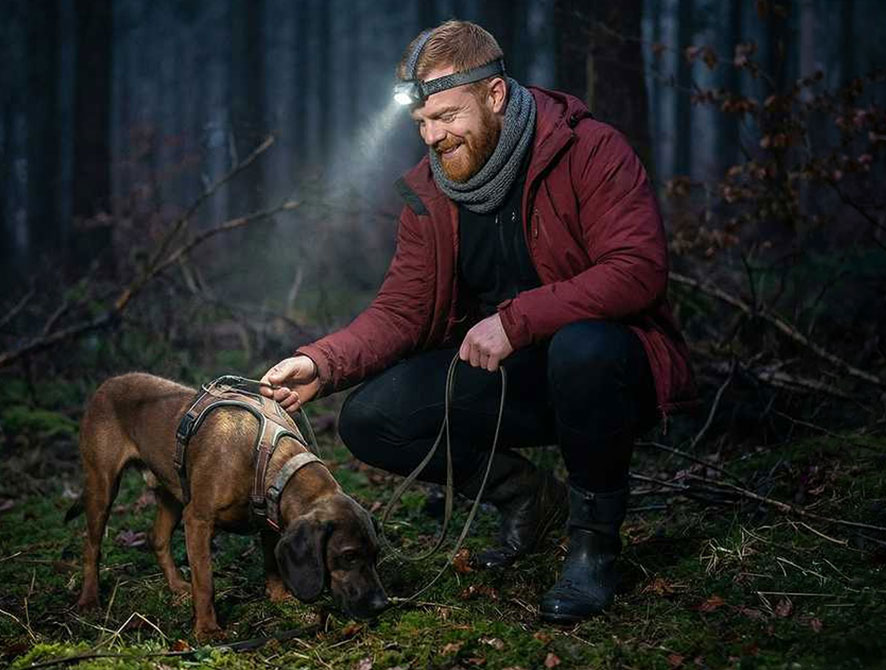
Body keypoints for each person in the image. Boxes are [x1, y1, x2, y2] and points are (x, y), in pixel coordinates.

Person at [259, 20, 694, 623]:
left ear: (494, 95)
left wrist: (517, 321)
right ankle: (528, 498)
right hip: (512, 378)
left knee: (584, 346)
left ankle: (593, 547)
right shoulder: (431, 192)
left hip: (610, 373)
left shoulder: (589, 149)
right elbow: (403, 310)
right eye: (421, 124)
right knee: (369, 418)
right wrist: (321, 362)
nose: (433, 137)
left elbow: (638, 268)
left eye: (446, 117)